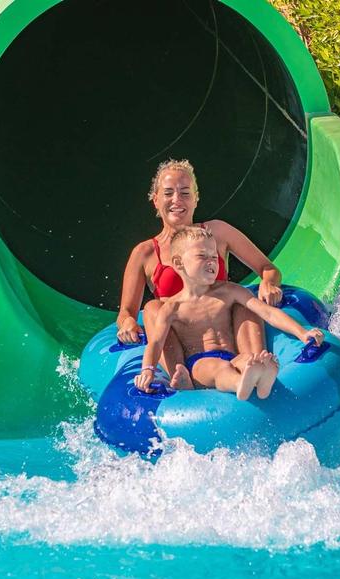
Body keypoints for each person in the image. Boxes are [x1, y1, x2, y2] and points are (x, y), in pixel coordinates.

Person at [117, 159, 284, 390]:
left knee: (242, 297)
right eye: (168, 193)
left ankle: (255, 365)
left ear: (196, 199)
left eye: (185, 193)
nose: (177, 200)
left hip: (224, 329)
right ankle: (180, 376)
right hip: (183, 341)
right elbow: (126, 312)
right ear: (156, 200)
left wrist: (268, 283)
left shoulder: (217, 232)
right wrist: (127, 323)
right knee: (153, 308)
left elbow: (268, 269)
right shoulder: (145, 253)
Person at [134, 227, 324, 400]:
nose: (211, 261)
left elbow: (268, 313)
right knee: (220, 368)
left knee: (250, 360)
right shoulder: (172, 308)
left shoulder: (229, 291)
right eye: (202, 256)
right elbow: (156, 343)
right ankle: (240, 383)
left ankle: (261, 380)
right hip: (200, 364)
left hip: (233, 357)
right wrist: (148, 370)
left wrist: (302, 333)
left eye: (214, 256)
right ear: (178, 263)